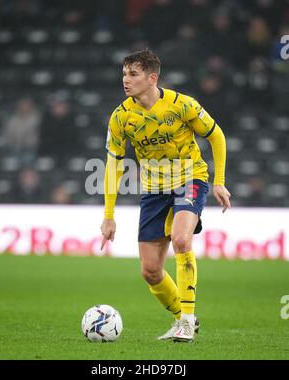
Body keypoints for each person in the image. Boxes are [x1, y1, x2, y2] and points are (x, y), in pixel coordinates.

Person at [100, 49, 231, 342]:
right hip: (154, 190)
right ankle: (184, 319)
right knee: (150, 271)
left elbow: (216, 135)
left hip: (189, 178)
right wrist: (108, 215)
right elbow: (113, 163)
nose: (126, 80)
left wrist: (219, 181)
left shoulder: (182, 105)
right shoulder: (121, 117)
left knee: (182, 239)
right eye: (124, 74)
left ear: (152, 77)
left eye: (133, 74)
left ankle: (186, 321)